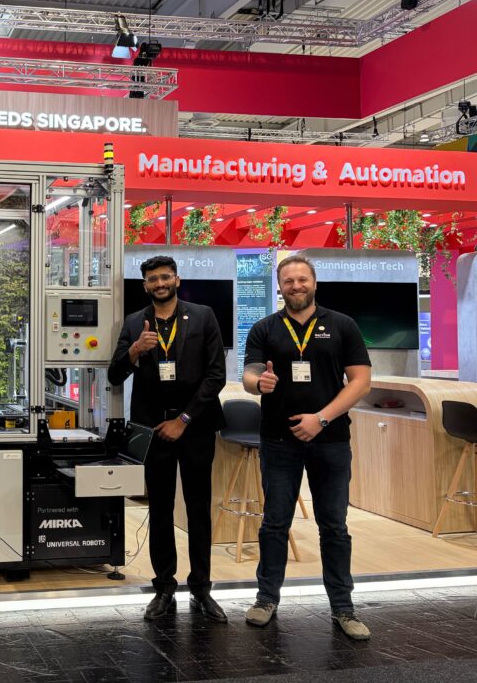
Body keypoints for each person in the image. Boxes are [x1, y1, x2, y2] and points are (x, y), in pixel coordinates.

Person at [242, 254, 372, 640]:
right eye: (288, 281)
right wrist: (256, 384)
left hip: (330, 440)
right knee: (274, 524)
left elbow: (360, 381)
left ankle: (343, 608)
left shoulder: (342, 325)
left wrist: (322, 419)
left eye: (302, 279)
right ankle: (266, 599)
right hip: (279, 441)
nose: (295, 286)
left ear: (314, 282)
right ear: (279, 287)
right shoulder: (265, 328)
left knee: (334, 526)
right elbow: (250, 373)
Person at [108, 255, 228, 623]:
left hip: (195, 427)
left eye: (165, 277)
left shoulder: (203, 315)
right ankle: (164, 588)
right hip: (153, 431)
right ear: (144, 285)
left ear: (176, 279)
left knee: (198, 510)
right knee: (159, 510)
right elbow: (114, 375)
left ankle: (202, 589)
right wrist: (134, 351)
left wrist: (184, 419)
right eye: (152, 279)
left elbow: (216, 375)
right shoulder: (134, 323)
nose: (159, 283)